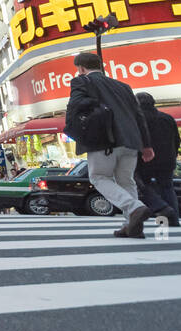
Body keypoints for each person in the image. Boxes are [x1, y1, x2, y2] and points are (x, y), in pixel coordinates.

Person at [64, 52, 154, 238]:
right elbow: (139, 116)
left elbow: (77, 104)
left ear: (81, 69)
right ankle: (132, 225)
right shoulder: (123, 86)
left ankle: (134, 208)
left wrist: (97, 102)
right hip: (131, 140)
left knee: (98, 177)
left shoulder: (81, 81)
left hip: (103, 139)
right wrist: (146, 144)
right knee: (126, 181)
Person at [134, 92, 181, 227]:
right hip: (167, 160)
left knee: (144, 186)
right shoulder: (167, 118)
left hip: (145, 160)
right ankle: (174, 219)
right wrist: (173, 155)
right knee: (167, 187)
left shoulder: (138, 119)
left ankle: (161, 209)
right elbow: (176, 140)